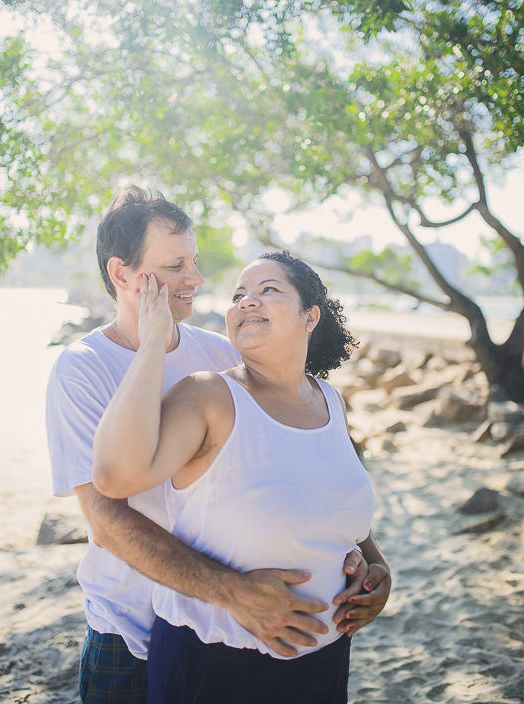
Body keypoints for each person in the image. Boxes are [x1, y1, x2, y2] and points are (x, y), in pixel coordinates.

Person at [46, 187, 391, 704]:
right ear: (123, 275)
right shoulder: (82, 369)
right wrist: (234, 593)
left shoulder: (223, 355)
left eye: (196, 261)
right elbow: (108, 519)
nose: (197, 279)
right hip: (134, 627)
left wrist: (366, 559)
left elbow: (299, 458)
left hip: (276, 637)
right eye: (177, 264)